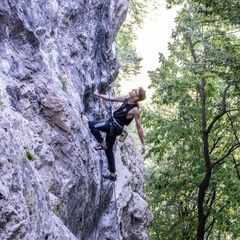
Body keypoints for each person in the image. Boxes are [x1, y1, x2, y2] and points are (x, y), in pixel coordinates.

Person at [88, 87, 146, 181]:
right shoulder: (127, 98)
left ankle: (102, 143)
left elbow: (139, 127)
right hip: (113, 125)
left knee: (90, 125)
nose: (133, 89)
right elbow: (112, 98)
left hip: (114, 127)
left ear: (136, 97)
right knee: (108, 150)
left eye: (135, 91)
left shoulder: (135, 110)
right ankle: (113, 174)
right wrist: (97, 94)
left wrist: (143, 143)